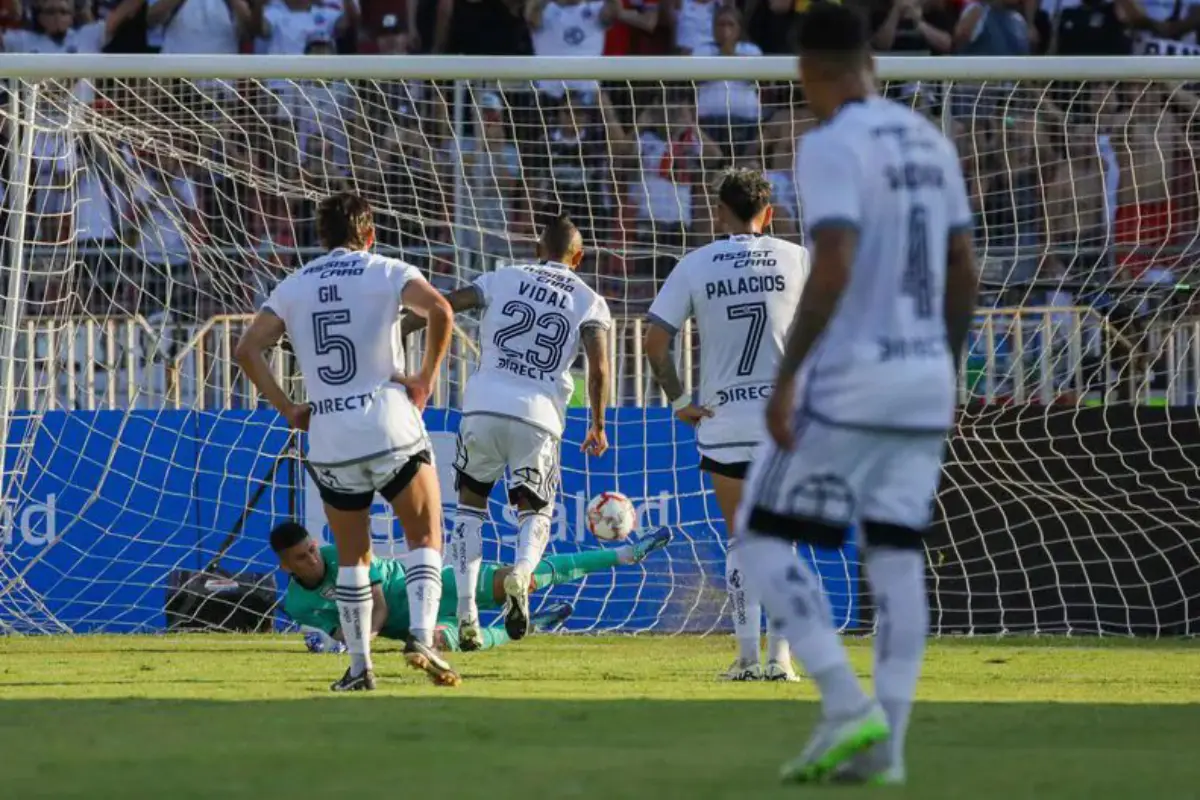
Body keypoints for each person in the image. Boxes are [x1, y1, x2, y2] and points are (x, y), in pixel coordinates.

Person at [734, 3, 978, 785]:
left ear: (807, 69)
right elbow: (965, 265)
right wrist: (943, 362)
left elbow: (833, 259)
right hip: (925, 375)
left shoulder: (831, 143)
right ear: (872, 55)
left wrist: (788, 372)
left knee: (762, 535)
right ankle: (890, 749)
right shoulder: (931, 141)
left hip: (852, 374)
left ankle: (845, 702)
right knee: (897, 554)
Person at [234, 192, 458, 692]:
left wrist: (289, 409)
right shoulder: (386, 269)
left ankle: (360, 669)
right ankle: (421, 635)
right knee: (424, 537)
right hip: (389, 424)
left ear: (321, 238)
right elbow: (441, 310)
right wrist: (423, 378)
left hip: (331, 437)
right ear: (370, 234)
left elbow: (246, 350)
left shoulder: (294, 285)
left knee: (353, 557)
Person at [401, 214, 611, 647]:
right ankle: (521, 572)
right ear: (580, 256)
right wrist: (597, 422)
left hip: (482, 408)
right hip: (538, 417)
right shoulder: (589, 300)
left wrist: (399, 327)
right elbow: (600, 366)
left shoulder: (503, 278)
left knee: (469, 511)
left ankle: (466, 616)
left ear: (538, 249)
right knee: (535, 511)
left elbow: (444, 305)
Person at [643, 168, 809, 683]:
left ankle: (745, 658)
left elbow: (654, 339)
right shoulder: (798, 258)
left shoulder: (696, 264)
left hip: (725, 422)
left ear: (720, 211)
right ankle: (782, 659)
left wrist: (679, 401)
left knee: (740, 540)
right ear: (769, 213)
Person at [271, 521, 673, 652]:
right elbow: (341, 628)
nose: (314, 558)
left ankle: (625, 554)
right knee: (455, 642)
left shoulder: (343, 551)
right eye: (303, 558)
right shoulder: (297, 603)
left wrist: (355, 644)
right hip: (418, 631)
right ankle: (529, 629)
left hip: (435, 587)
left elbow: (374, 608)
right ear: (286, 565)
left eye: (311, 549)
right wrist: (336, 639)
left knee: (521, 579)